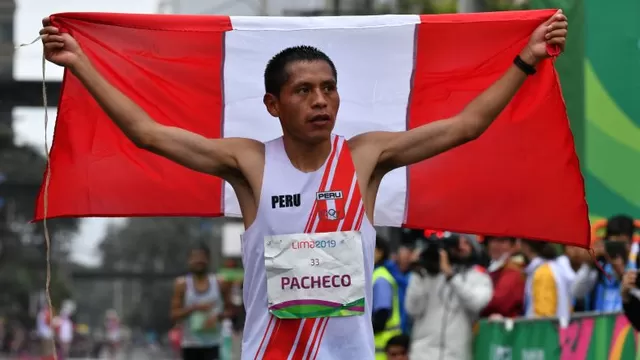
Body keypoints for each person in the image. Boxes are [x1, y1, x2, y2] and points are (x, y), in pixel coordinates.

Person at [40, 11, 568, 359]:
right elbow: (147, 134)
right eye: (304, 90)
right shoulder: (248, 162)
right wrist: (80, 63)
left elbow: (465, 126)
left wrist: (527, 58)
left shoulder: (367, 156)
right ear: (273, 104)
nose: (320, 100)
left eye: (329, 88)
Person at [405, 233, 493, 360]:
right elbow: (412, 309)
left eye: (466, 243)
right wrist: (418, 275)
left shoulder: (480, 278)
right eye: (457, 242)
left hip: (457, 354)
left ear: (474, 249)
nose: (461, 247)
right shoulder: (429, 274)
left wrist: (451, 277)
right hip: (423, 353)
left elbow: (476, 304)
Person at [171, 244, 227, 360]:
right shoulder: (182, 284)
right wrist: (194, 308)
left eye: (202, 257)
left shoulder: (219, 283)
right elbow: (173, 315)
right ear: (189, 260)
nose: (199, 261)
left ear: (208, 259)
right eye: (195, 258)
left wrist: (218, 316)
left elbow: (232, 311)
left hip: (214, 344)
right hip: (190, 345)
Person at [372, 237, 402, 360]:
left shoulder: (380, 279)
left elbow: (381, 317)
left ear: (380, 252)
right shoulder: (375, 275)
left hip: (384, 350)